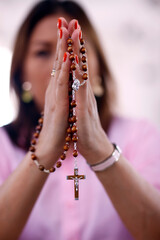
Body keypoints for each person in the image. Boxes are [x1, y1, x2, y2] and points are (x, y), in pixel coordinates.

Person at [0, 0, 160, 239]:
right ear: (21, 74)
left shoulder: (141, 135)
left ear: (99, 72)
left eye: (77, 50)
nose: (62, 64)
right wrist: (42, 152)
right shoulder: (3, 145)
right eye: (43, 52)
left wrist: (100, 150)